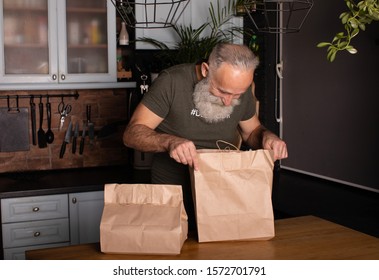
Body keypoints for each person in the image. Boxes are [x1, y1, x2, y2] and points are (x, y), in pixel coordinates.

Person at [123, 43, 288, 229]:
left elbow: (251, 131)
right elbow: (131, 134)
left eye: (237, 95)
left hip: (223, 196)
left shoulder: (240, 89)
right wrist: (169, 141)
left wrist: (267, 137)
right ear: (205, 70)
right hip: (173, 196)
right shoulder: (172, 82)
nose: (228, 102)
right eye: (223, 91)